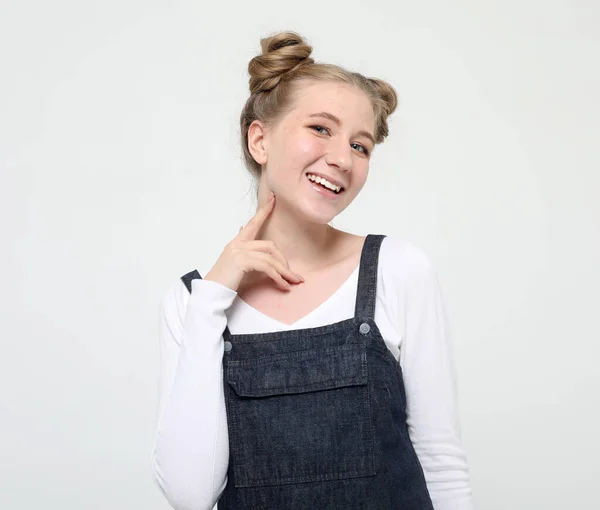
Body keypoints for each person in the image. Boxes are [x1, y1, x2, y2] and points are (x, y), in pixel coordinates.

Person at [151, 31, 474, 510]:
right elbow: (190, 496)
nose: (343, 159)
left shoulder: (398, 270)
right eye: (321, 129)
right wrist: (212, 299)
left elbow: (440, 463)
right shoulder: (193, 303)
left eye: (361, 146)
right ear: (260, 140)